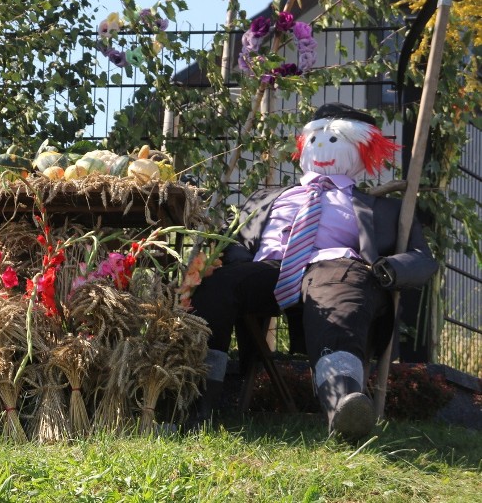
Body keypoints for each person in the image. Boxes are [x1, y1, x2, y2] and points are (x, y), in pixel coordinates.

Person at [187, 103, 438, 440]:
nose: (321, 149)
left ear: (360, 150)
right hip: (267, 267)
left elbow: (424, 258)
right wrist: (221, 259)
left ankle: (343, 406)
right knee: (216, 287)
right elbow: (236, 240)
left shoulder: (384, 209)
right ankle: (194, 400)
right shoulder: (266, 197)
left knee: (340, 299)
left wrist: (390, 268)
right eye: (315, 140)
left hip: (335, 265)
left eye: (335, 141)